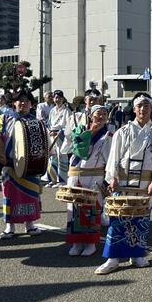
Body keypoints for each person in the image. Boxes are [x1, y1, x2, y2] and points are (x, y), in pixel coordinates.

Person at [96, 92, 152, 275]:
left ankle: (137, 254)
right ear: (134, 109)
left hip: (144, 183)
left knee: (141, 219)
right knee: (118, 219)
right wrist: (112, 176)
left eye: (146, 106)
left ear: (151, 108)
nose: (143, 109)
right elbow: (114, 156)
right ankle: (112, 258)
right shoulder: (123, 132)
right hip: (123, 181)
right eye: (139, 106)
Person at [0, 89, 43, 238]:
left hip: (30, 166)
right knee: (9, 195)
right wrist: (0, 155)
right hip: (9, 164)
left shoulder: (35, 121)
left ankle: (30, 224)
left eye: (27, 101)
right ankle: (9, 226)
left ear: (31, 104)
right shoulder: (4, 118)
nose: (23, 103)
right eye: (20, 100)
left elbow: (44, 142)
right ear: (14, 103)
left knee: (31, 195)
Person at [65, 104, 112, 257]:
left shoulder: (109, 135)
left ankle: (90, 243)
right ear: (91, 115)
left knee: (91, 210)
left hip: (95, 176)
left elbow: (111, 160)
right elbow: (70, 148)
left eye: (105, 113)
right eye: (99, 113)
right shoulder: (81, 130)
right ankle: (76, 242)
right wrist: (88, 133)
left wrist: (109, 180)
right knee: (74, 210)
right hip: (76, 174)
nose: (102, 116)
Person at [46, 90, 73, 185]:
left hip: (61, 137)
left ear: (62, 99)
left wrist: (59, 132)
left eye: (59, 98)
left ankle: (62, 180)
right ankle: (53, 179)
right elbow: (49, 123)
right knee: (52, 157)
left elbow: (69, 125)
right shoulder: (52, 110)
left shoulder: (66, 111)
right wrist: (49, 131)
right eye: (55, 97)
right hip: (52, 136)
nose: (57, 99)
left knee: (62, 157)